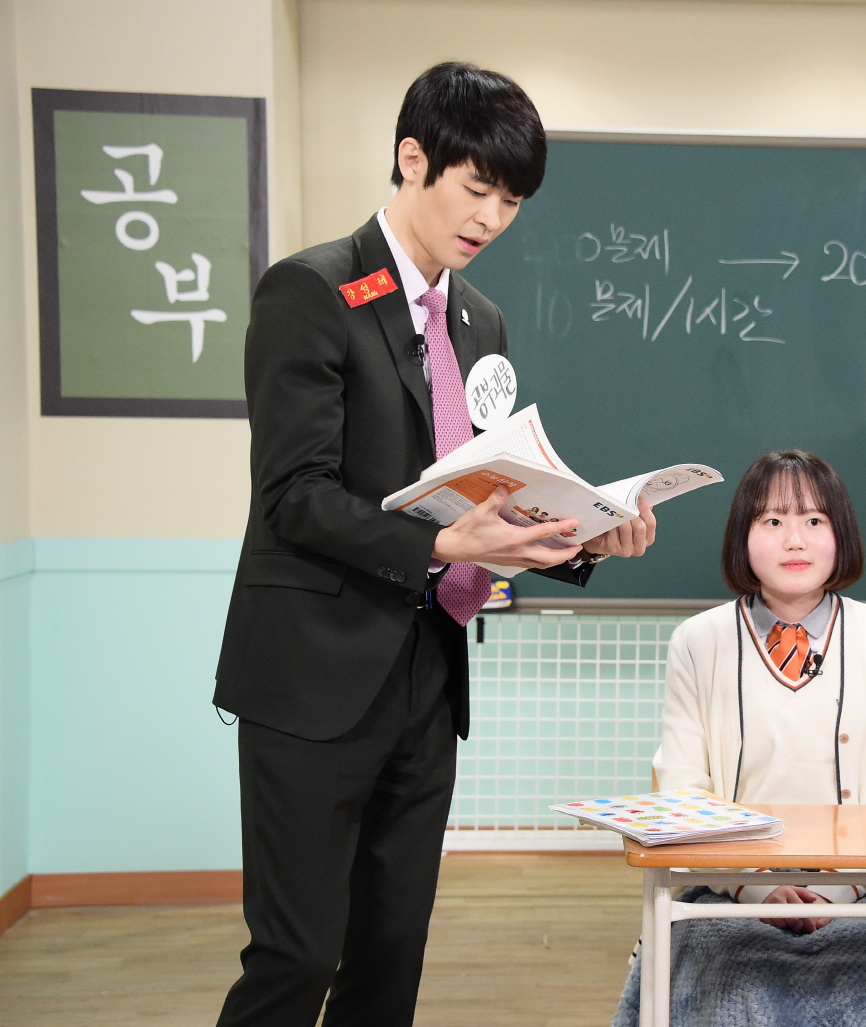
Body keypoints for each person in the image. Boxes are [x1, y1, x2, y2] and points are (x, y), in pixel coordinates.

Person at [211, 63, 656, 1027]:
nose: (492, 218)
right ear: (413, 159)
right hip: (312, 678)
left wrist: (582, 537)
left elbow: (487, 490)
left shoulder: (478, 318)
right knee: (296, 955)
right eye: (477, 188)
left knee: (389, 955)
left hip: (427, 670)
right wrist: (445, 539)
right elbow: (293, 498)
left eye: (512, 201)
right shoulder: (312, 290)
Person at [613, 449, 866, 1027]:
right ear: (742, 537)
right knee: (721, 966)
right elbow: (684, 793)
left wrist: (835, 894)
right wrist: (756, 891)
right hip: (727, 888)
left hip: (861, 888)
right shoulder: (698, 640)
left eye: (814, 520)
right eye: (772, 520)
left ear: (841, 534)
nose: (794, 540)